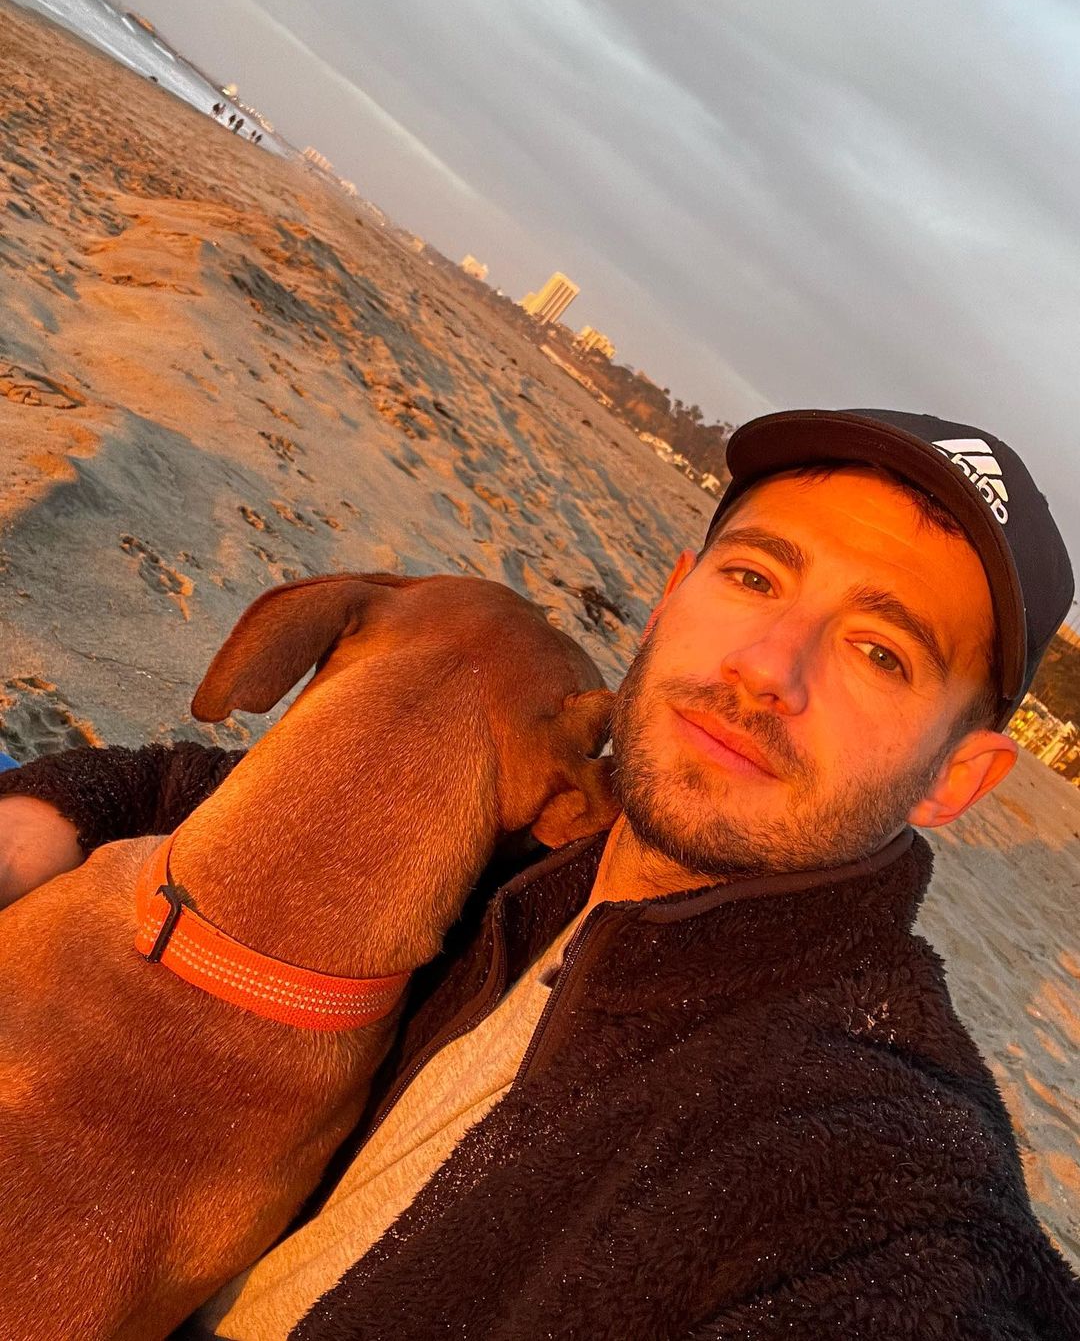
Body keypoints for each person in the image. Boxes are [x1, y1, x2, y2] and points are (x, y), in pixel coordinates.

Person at [2, 408, 1078, 1339]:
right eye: (755, 578)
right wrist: (49, 813)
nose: (766, 666)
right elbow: (205, 785)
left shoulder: (868, 1159)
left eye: (881, 652)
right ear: (671, 598)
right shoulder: (530, 833)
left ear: (956, 777)